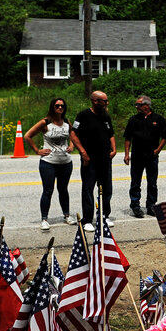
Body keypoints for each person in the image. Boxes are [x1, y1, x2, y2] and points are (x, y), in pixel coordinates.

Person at [24, 98, 75, 231]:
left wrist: (72, 145)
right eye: (57, 106)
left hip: (66, 162)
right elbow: (27, 136)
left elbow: (74, 135)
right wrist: (37, 150)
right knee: (48, 190)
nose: (60, 108)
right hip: (48, 162)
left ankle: (67, 215)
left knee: (63, 189)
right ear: (52, 107)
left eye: (62, 106)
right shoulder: (45, 122)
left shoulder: (66, 122)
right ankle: (44, 219)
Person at [69, 90, 116, 232]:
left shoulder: (105, 116)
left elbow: (111, 134)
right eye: (104, 101)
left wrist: (114, 149)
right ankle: (87, 219)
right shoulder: (83, 115)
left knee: (106, 188)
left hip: (105, 159)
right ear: (95, 101)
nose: (107, 103)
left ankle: (103, 216)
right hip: (90, 160)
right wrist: (83, 152)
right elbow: (73, 134)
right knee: (88, 188)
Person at [124, 95, 166, 218]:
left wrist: (158, 150)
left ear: (147, 105)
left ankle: (151, 206)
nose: (137, 107)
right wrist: (126, 154)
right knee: (135, 182)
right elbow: (128, 138)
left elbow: (165, 136)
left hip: (152, 156)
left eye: (139, 105)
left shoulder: (158, 119)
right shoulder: (133, 120)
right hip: (137, 155)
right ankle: (135, 206)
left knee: (152, 182)